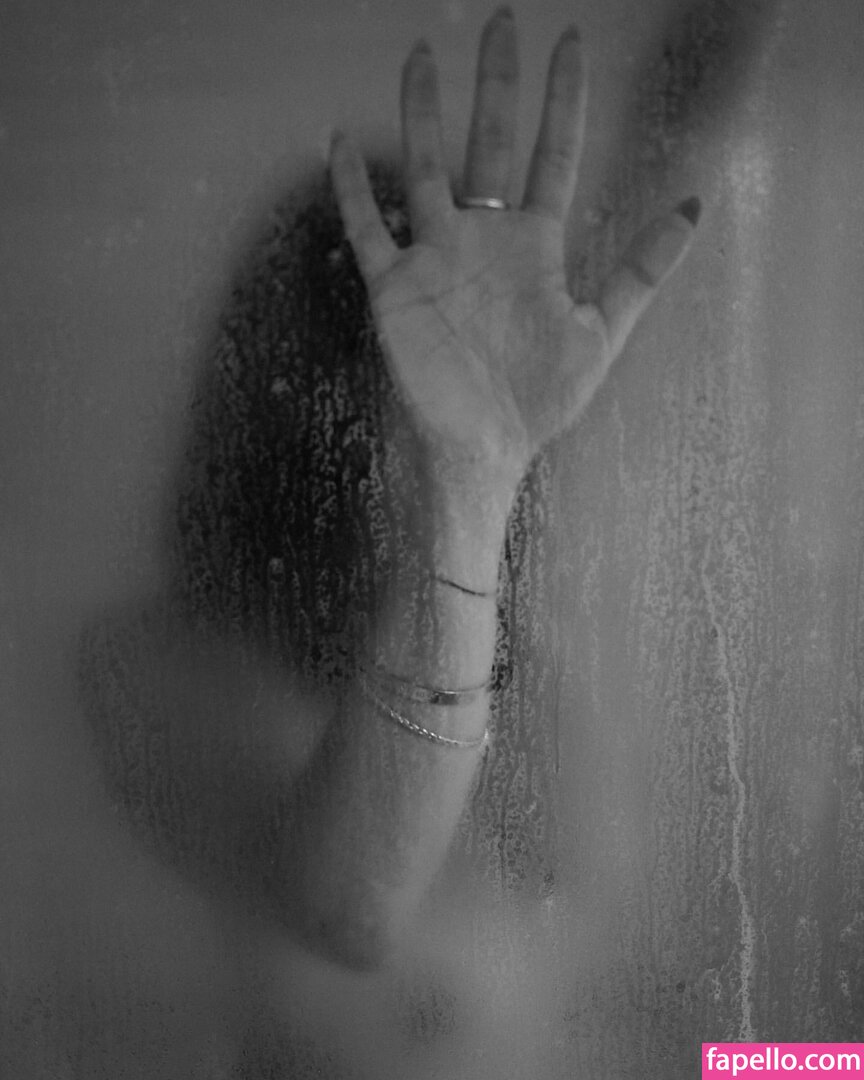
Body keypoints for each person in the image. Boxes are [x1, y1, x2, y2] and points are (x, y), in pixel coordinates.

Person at [81, 5, 699, 977]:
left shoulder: (525, 630)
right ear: (296, 415)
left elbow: (667, 168)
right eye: (402, 382)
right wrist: (470, 478)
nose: (415, 439)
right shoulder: (159, 672)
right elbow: (344, 917)